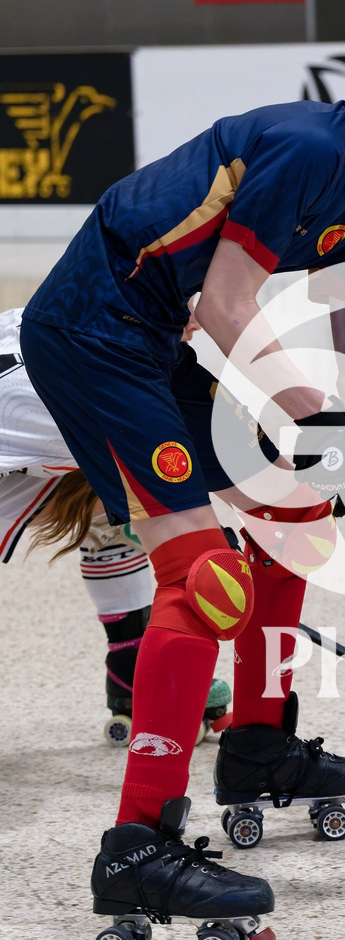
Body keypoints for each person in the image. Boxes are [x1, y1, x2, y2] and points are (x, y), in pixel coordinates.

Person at [20, 0, 345, 940]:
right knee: (201, 576)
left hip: (150, 338)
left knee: (294, 505)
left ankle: (256, 745)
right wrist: (309, 415)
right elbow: (230, 301)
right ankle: (137, 846)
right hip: (88, 334)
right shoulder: (304, 149)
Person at [0, 306, 232, 747]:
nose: (198, 316)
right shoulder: (94, 388)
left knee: (111, 509)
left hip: (23, 440)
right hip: (23, 428)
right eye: (182, 296)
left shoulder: (48, 318)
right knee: (130, 501)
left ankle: (129, 662)